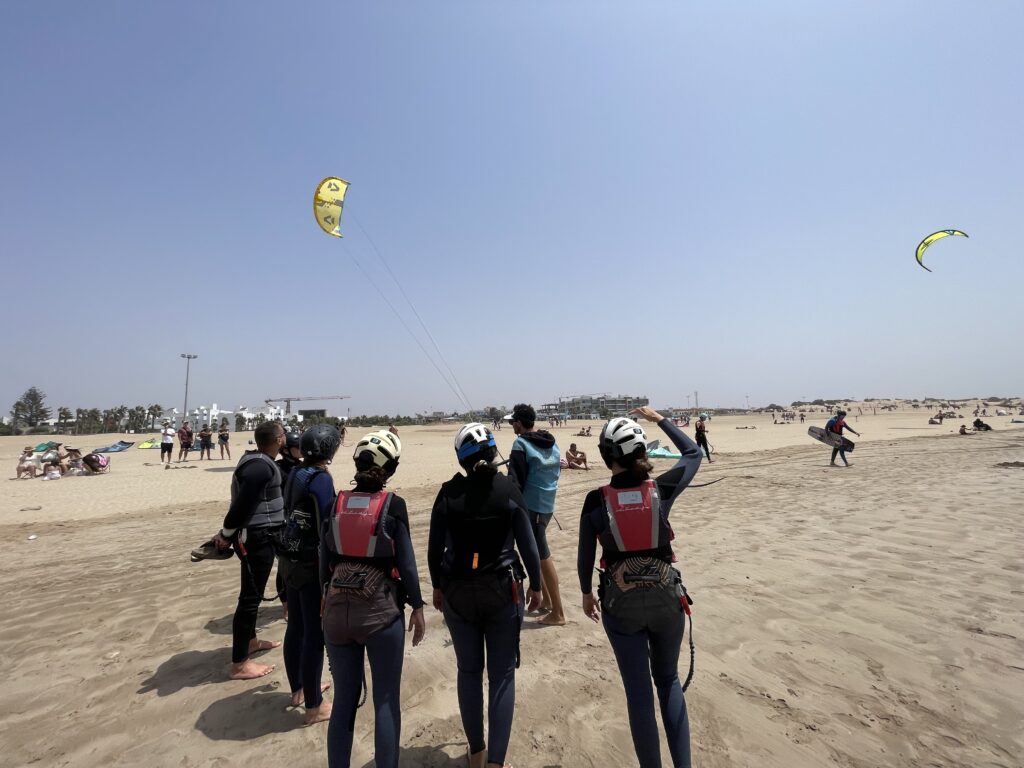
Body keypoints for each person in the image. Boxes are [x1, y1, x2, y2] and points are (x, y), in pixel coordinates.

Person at [577, 407, 702, 768]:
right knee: (668, 681)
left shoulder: (594, 500)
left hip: (621, 604)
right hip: (666, 599)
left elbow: (586, 556)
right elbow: (693, 453)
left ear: (606, 457)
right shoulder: (661, 488)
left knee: (639, 694)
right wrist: (659, 419)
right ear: (642, 453)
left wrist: (586, 592)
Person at [429, 423, 542, 768]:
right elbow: (529, 546)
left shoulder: (448, 493)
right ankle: (496, 762)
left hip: (457, 592)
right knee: (502, 675)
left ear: (461, 459)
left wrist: (437, 586)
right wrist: (536, 586)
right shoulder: (507, 489)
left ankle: (476, 753)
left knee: (468, 672)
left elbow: (434, 551)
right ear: (494, 453)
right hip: (501, 590)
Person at [322, 429, 426, 768]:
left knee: (343, 702)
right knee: (384, 700)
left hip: (336, 612)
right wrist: (418, 606)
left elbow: (323, 563)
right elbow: (407, 564)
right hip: (380, 613)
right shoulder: (393, 506)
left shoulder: (335, 503)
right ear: (390, 469)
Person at [212, 421, 287, 679]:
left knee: (252, 596)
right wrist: (226, 534)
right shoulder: (259, 466)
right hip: (257, 537)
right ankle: (239, 664)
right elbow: (242, 506)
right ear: (279, 440)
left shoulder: (261, 461)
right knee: (249, 598)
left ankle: (251, 641)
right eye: (284, 435)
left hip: (263, 536)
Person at [278, 425, 339, 726]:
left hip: (289, 560)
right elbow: (327, 525)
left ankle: (299, 689)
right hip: (309, 563)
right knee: (314, 634)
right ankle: (314, 706)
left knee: (296, 628)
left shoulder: (294, 474)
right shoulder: (321, 478)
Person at [508, 403, 565, 626]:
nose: (512, 425)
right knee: (537, 553)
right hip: (547, 505)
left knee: (541, 554)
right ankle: (548, 602)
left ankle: (558, 613)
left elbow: (516, 482)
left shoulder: (520, 443)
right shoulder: (550, 440)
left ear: (520, 423)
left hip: (533, 508)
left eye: (513, 421)